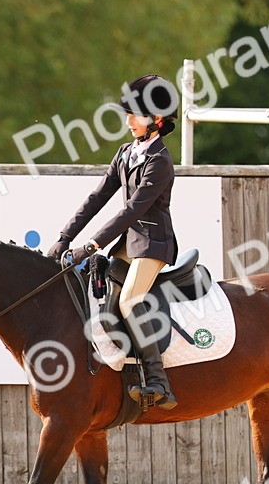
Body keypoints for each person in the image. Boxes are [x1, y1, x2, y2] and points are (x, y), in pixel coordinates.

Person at [46, 74, 180, 409]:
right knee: (98, 296)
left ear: (158, 120)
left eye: (136, 114)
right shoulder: (125, 153)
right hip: (127, 243)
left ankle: (160, 382)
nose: (129, 120)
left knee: (130, 302)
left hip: (153, 244)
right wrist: (64, 237)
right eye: (128, 113)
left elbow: (133, 210)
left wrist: (91, 245)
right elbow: (96, 198)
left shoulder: (160, 161)